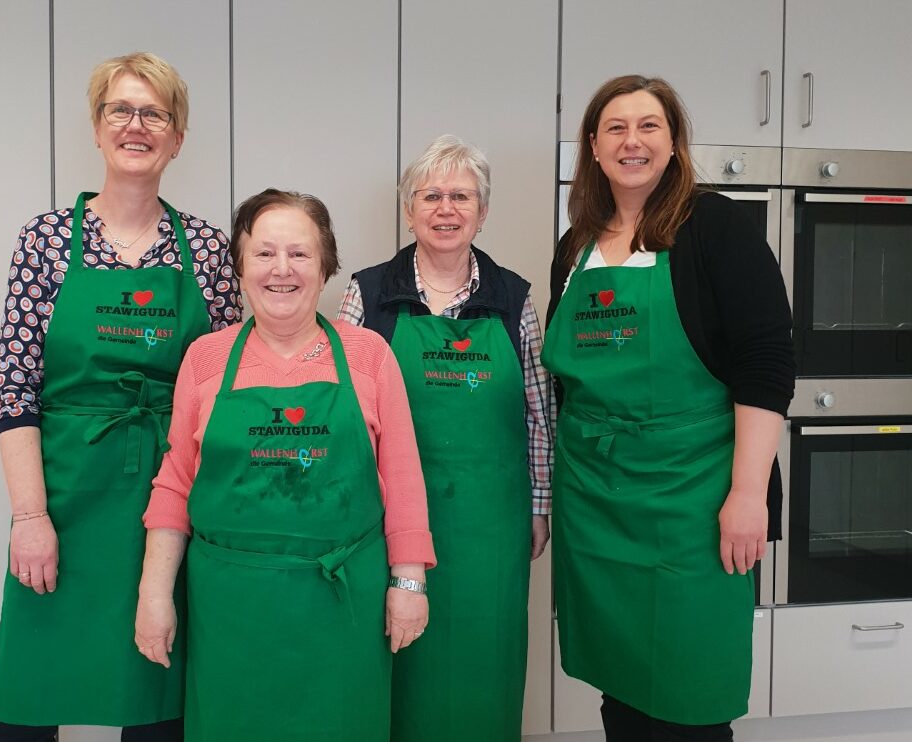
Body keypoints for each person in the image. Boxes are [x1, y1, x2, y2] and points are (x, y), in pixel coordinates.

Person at [0, 52, 240, 742]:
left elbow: (223, 388)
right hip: (64, 493)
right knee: (27, 695)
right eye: (120, 110)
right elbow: (15, 388)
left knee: (154, 688)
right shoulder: (46, 241)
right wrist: (29, 516)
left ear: (177, 137)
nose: (137, 125)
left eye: (154, 113)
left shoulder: (208, 250)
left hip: (165, 497)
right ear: (96, 129)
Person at [543, 75, 794, 741]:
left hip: (694, 496)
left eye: (649, 126)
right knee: (621, 685)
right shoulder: (577, 246)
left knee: (690, 692)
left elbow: (766, 365)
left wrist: (748, 494)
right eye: (616, 128)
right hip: (596, 499)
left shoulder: (714, 227)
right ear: (593, 146)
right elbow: (567, 384)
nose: (633, 141)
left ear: (674, 143)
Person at [135, 189, 435, 742]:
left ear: (325, 269)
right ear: (240, 267)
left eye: (299, 254)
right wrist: (154, 597)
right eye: (264, 253)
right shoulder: (206, 358)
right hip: (231, 609)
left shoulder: (368, 354)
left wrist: (409, 585)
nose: (282, 270)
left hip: (342, 605)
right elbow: (175, 485)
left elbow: (404, 476)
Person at [339, 134, 554, 742]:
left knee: (485, 657)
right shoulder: (370, 291)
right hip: (390, 516)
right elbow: (347, 411)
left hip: (493, 522)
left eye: (461, 196)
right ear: (409, 209)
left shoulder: (514, 297)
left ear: (482, 212)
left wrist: (539, 506)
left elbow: (538, 409)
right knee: (398, 659)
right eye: (430, 195)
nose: (445, 209)